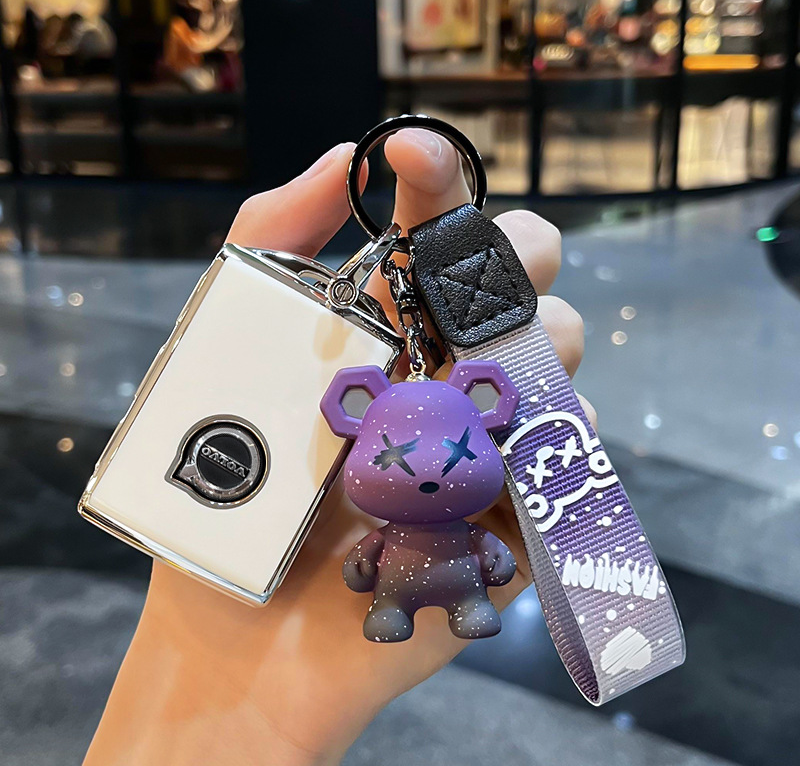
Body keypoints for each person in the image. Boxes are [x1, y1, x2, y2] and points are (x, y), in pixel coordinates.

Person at [83, 129, 591, 765]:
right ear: (352, 414)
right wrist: (204, 680)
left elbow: (450, 553)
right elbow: (367, 559)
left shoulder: (425, 443)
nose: (428, 472)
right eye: (396, 457)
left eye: (459, 453)